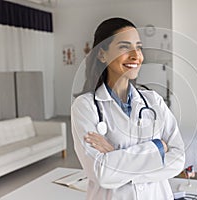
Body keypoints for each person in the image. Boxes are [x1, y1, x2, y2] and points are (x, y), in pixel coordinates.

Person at [71, 17, 185, 200]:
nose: (136, 55)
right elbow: (101, 173)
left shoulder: (153, 100)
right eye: (125, 47)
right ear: (102, 54)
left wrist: (115, 156)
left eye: (138, 47)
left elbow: (178, 159)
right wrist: (158, 148)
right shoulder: (85, 106)